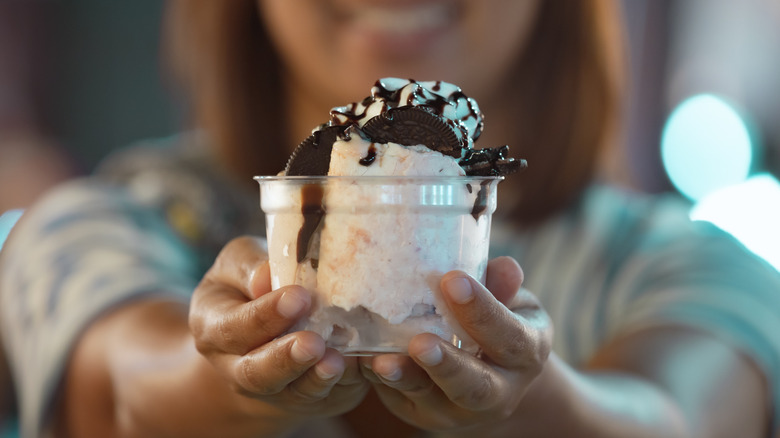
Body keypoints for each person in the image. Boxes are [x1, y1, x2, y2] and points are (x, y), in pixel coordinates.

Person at [1, 1, 779, 437]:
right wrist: (227, 375)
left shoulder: (694, 267)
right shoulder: (115, 223)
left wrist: (539, 400)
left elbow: (676, 420)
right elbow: (117, 394)